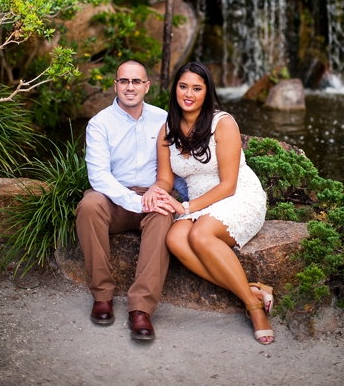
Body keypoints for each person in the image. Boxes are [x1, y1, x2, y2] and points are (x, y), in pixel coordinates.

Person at [147, 61, 274, 345]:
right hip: (201, 204)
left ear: (207, 92)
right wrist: (159, 192)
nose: (188, 94)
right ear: (175, 90)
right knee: (176, 239)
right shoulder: (167, 130)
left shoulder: (223, 123)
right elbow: (165, 178)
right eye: (183, 86)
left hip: (238, 195)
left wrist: (188, 208)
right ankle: (252, 290)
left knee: (200, 235)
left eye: (196, 88)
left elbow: (228, 185)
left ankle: (254, 309)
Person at [77, 59, 181, 341]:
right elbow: (98, 176)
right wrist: (135, 202)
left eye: (136, 81)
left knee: (162, 214)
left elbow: (177, 165)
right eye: (124, 81)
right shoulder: (100, 124)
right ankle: (102, 295)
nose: (130, 87)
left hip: (153, 192)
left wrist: (164, 197)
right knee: (89, 205)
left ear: (147, 86)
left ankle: (141, 309)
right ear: (115, 85)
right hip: (114, 199)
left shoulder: (163, 119)